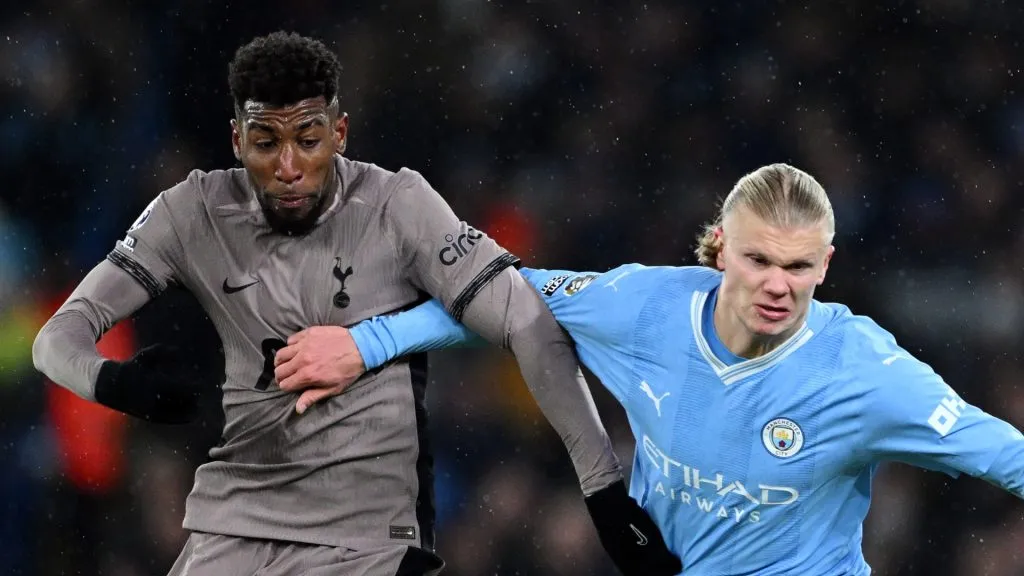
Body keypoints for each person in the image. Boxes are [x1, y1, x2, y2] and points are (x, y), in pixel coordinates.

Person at [31, 31, 680, 576]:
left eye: (308, 139)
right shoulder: (189, 213)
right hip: (237, 523)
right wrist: (114, 382)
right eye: (266, 142)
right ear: (236, 140)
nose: (289, 166)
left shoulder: (399, 207)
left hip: (368, 533)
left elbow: (526, 318)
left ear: (339, 132)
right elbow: (56, 339)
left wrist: (602, 489)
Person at [335, 162, 1024, 575]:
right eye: (758, 260)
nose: (778, 285)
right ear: (720, 248)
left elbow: (1001, 453)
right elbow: (502, 296)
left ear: (826, 266)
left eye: (799, 267)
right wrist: (366, 344)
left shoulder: (863, 370)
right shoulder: (647, 308)